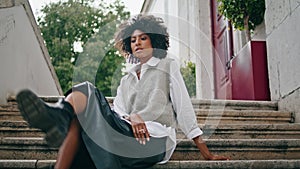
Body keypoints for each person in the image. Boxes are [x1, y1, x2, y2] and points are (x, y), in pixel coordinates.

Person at [16, 14, 230, 169]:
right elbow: (116, 114)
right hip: (124, 135)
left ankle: (60, 117)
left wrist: (206, 153)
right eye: (133, 40)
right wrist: (132, 117)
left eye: (143, 38)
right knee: (81, 114)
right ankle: (62, 116)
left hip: (155, 139)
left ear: (153, 40)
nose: (137, 43)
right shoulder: (126, 80)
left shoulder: (167, 65)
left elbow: (183, 108)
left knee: (86, 94)